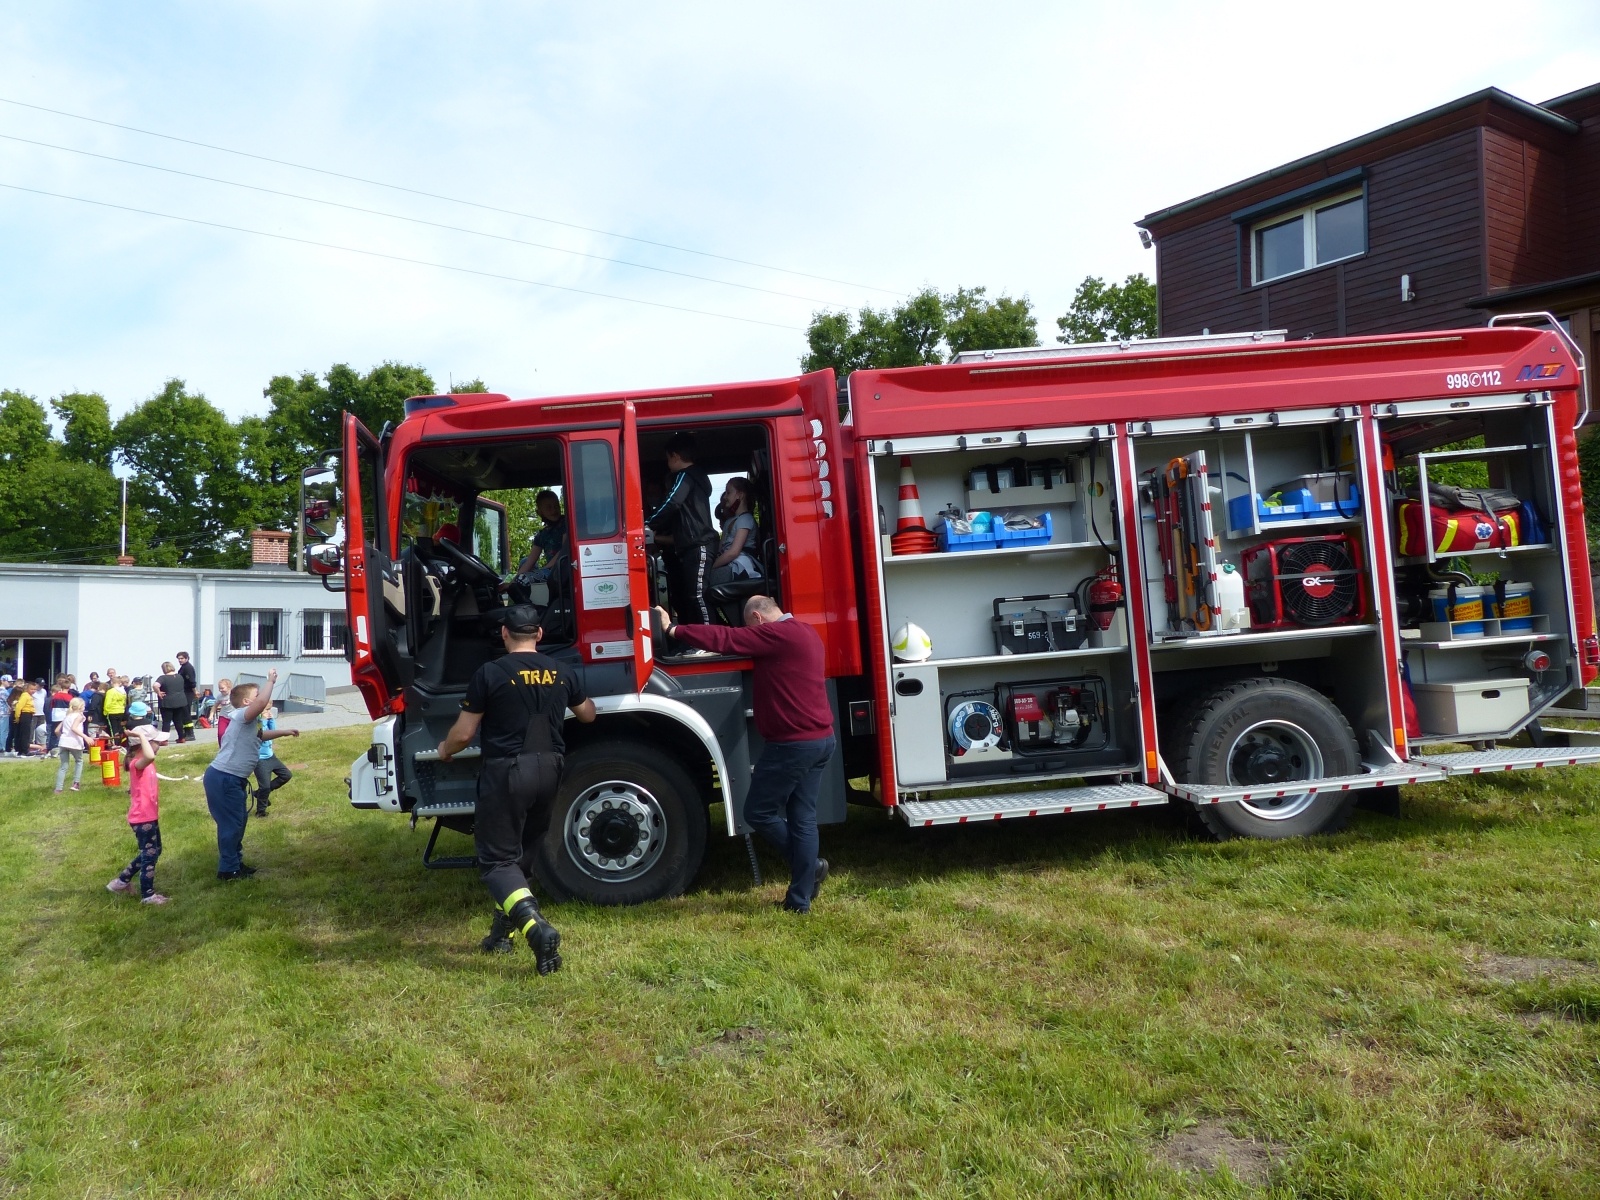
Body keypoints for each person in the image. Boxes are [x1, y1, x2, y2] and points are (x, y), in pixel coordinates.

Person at [436, 604, 595, 972]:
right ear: (539, 635)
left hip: (509, 772)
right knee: (521, 855)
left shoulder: (490, 673)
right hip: (551, 770)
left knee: (496, 861)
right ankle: (499, 936)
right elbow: (587, 714)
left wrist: (445, 749)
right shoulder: (562, 671)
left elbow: (463, 734)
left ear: (505, 634)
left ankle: (535, 928)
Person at [656, 595, 835, 913]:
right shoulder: (805, 632)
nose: (748, 630)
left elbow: (725, 638)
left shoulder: (776, 634)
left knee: (758, 813)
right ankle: (800, 898)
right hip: (820, 739)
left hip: (791, 744)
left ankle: (809, 871)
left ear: (758, 618)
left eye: (749, 624)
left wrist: (672, 629)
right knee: (803, 818)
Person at [203, 673, 278, 881]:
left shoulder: (250, 723)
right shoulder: (243, 715)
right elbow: (263, 702)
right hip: (224, 778)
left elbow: (260, 736)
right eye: (257, 695)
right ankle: (228, 870)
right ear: (247, 702)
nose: (262, 697)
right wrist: (271, 681)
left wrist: (285, 732)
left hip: (230, 779)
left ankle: (234, 863)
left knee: (238, 821)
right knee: (231, 824)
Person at [646, 432, 716, 642]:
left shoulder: (685, 476)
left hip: (700, 543)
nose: (668, 464)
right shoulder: (697, 478)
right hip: (692, 546)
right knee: (691, 596)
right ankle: (697, 641)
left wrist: (648, 524)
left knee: (698, 596)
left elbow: (673, 502)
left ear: (675, 456)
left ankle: (711, 643)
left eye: (668, 459)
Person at [105, 724, 172, 905]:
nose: (160, 744)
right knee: (150, 854)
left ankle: (121, 882)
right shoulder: (139, 763)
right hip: (143, 818)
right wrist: (140, 736)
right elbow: (149, 754)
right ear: (145, 744)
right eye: (156, 741)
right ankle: (147, 895)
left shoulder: (141, 762)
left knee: (153, 851)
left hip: (147, 816)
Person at [709, 476, 763, 587]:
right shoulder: (729, 521)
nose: (725, 497)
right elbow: (721, 549)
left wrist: (710, 567)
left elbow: (733, 552)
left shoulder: (745, 519)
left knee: (709, 579)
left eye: (728, 493)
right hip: (730, 563)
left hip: (741, 565)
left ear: (740, 495)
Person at [252, 705, 298, 817]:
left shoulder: (266, 719)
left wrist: (271, 720)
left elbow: (272, 732)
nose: (268, 712)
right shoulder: (256, 722)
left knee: (286, 775)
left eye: (269, 709)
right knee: (265, 786)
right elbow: (260, 734)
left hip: (271, 756)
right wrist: (263, 719)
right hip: (260, 760)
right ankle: (261, 812)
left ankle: (259, 793)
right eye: (266, 710)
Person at [516, 491, 569, 578]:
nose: (554, 510)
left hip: (561, 569)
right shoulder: (541, 535)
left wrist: (545, 569)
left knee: (526, 579)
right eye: (549, 508)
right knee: (524, 562)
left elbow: (563, 551)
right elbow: (530, 562)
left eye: (556, 506)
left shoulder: (566, 523)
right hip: (549, 570)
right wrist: (511, 582)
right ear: (540, 512)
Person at [53, 697, 89, 793]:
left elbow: (56, 730)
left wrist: (62, 737)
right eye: (84, 706)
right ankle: (76, 783)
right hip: (75, 742)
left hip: (63, 742)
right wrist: (86, 737)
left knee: (63, 766)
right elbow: (74, 728)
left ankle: (58, 788)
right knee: (79, 761)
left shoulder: (67, 716)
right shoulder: (80, 716)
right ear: (80, 707)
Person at [155, 662, 189, 743]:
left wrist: (158, 692)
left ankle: (164, 740)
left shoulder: (163, 678)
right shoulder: (180, 677)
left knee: (166, 721)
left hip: (167, 702)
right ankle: (181, 737)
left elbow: (155, 685)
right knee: (178, 720)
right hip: (180, 701)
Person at [10, 682, 38, 756]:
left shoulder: (28, 696)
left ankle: (21, 750)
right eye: (31, 689)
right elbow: (19, 706)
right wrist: (17, 717)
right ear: (27, 689)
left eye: (35, 689)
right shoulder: (25, 695)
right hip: (25, 714)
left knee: (23, 733)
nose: (33, 691)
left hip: (28, 714)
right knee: (25, 733)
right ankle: (24, 750)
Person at [176, 652, 198, 741]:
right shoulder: (183, 668)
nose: (180, 660)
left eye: (181, 658)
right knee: (183, 713)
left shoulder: (188, 668)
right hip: (183, 692)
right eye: (178, 658)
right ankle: (186, 733)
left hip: (188, 693)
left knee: (186, 713)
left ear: (186, 658)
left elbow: (192, 682)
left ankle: (190, 733)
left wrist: (195, 692)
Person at [213, 678, 235, 744]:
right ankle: (222, 749)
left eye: (222, 688)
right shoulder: (219, 696)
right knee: (221, 734)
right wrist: (211, 714)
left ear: (229, 687)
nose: (220, 690)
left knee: (233, 734)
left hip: (233, 717)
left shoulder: (234, 695)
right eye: (219, 688)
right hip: (223, 717)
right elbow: (215, 706)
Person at [0, 674, 11, 758]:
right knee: (3, 731)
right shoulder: (3, 691)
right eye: (8, 681)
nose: (10, 683)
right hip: (3, 714)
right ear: (2, 681)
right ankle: (2, 747)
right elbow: (9, 701)